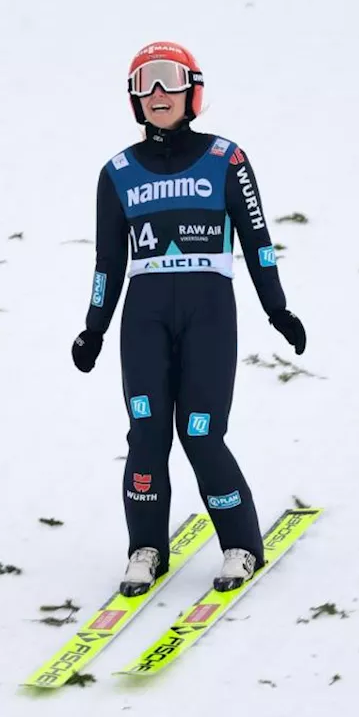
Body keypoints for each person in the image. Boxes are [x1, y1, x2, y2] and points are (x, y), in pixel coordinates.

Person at [70, 41, 306, 597]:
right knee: (147, 435)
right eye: (144, 82)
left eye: (168, 80)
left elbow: (258, 242)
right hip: (144, 318)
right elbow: (109, 262)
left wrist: (278, 308)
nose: (157, 93)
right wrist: (93, 329)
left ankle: (241, 543)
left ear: (191, 89)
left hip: (209, 315)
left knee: (201, 433)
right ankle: (145, 547)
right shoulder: (117, 172)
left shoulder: (227, 159)